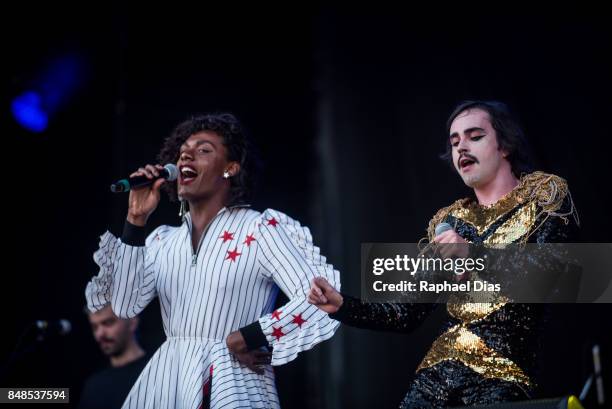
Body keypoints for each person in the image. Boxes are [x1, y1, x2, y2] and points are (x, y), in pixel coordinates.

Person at [309, 100, 579, 408]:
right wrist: (343, 305)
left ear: (504, 146)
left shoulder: (543, 198)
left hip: (501, 376)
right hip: (432, 381)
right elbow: (404, 314)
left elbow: (550, 277)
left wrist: (474, 255)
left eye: (474, 136)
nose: (462, 147)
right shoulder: (450, 223)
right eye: (454, 142)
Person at [85, 113, 340, 408]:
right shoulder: (162, 240)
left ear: (230, 168)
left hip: (234, 385)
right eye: (182, 152)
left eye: (203, 150)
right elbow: (125, 305)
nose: (186, 155)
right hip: (172, 383)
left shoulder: (259, 229)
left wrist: (251, 335)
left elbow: (321, 297)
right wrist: (136, 220)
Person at [79, 305, 149, 409]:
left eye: (108, 323)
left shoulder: (160, 370)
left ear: (132, 321)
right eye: (94, 327)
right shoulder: (94, 386)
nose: (99, 334)